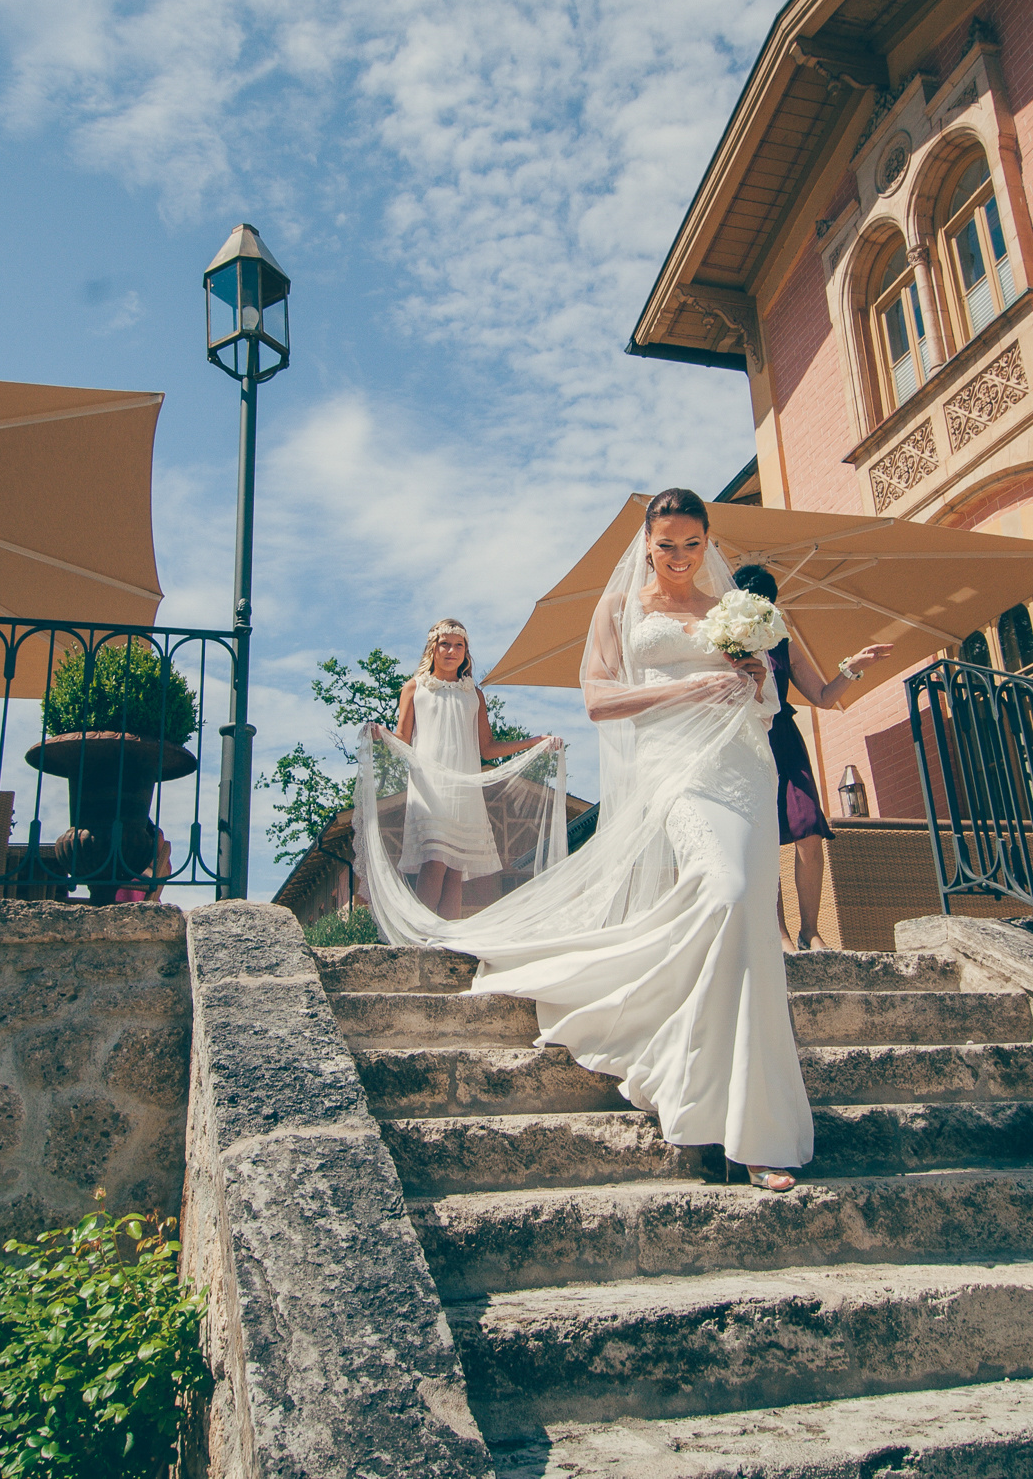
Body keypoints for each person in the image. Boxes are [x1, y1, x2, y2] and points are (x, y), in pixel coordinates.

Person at [355, 488, 812, 1191]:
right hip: (676, 772)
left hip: (744, 764)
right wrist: (685, 692)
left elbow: (763, 697)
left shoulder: (727, 607)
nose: (682, 558)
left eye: (694, 544)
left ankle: (755, 1130)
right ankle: (681, 1066)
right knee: (726, 893)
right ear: (647, 542)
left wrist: (751, 679)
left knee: (749, 923)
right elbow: (600, 699)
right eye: (668, 546)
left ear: (709, 540)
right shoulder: (620, 607)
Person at [729, 564, 893, 950]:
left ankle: (810, 930)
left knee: (808, 831)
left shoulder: (781, 641)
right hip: (748, 742)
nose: (761, 608)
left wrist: (852, 668)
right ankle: (779, 931)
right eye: (753, 601)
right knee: (763, 837)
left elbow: (821, 696)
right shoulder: (726, 644)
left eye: (767, 602)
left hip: (784, 739)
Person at [373, 618, 562, 920]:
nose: (451, 650)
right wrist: (381, 734)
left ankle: (446, 943)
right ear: (432, 649)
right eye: (445, 644)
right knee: (434, 859)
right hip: (430, 788)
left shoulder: (473, 694)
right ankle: (418, 937)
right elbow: (402, 738)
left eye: (459, 645)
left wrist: (534, 741)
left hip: (464, 790)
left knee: (454, 868)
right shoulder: (415, 688)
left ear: (466, 652)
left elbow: (487, 747)